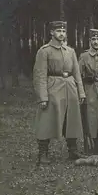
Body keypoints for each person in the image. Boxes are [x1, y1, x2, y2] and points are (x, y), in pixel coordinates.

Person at [33, 21, 86, 164]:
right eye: (58, 31)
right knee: (47, 119)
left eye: (63, 31)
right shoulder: (44, 51)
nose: (61, 34)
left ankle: (73, 150)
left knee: (72, 119)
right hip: (53, 87)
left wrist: (81, 92)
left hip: (70, 86)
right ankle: (43, 152)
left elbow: (77, 73)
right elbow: (40, 75)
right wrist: (42, 96)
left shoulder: (70, 51)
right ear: (51, 33)